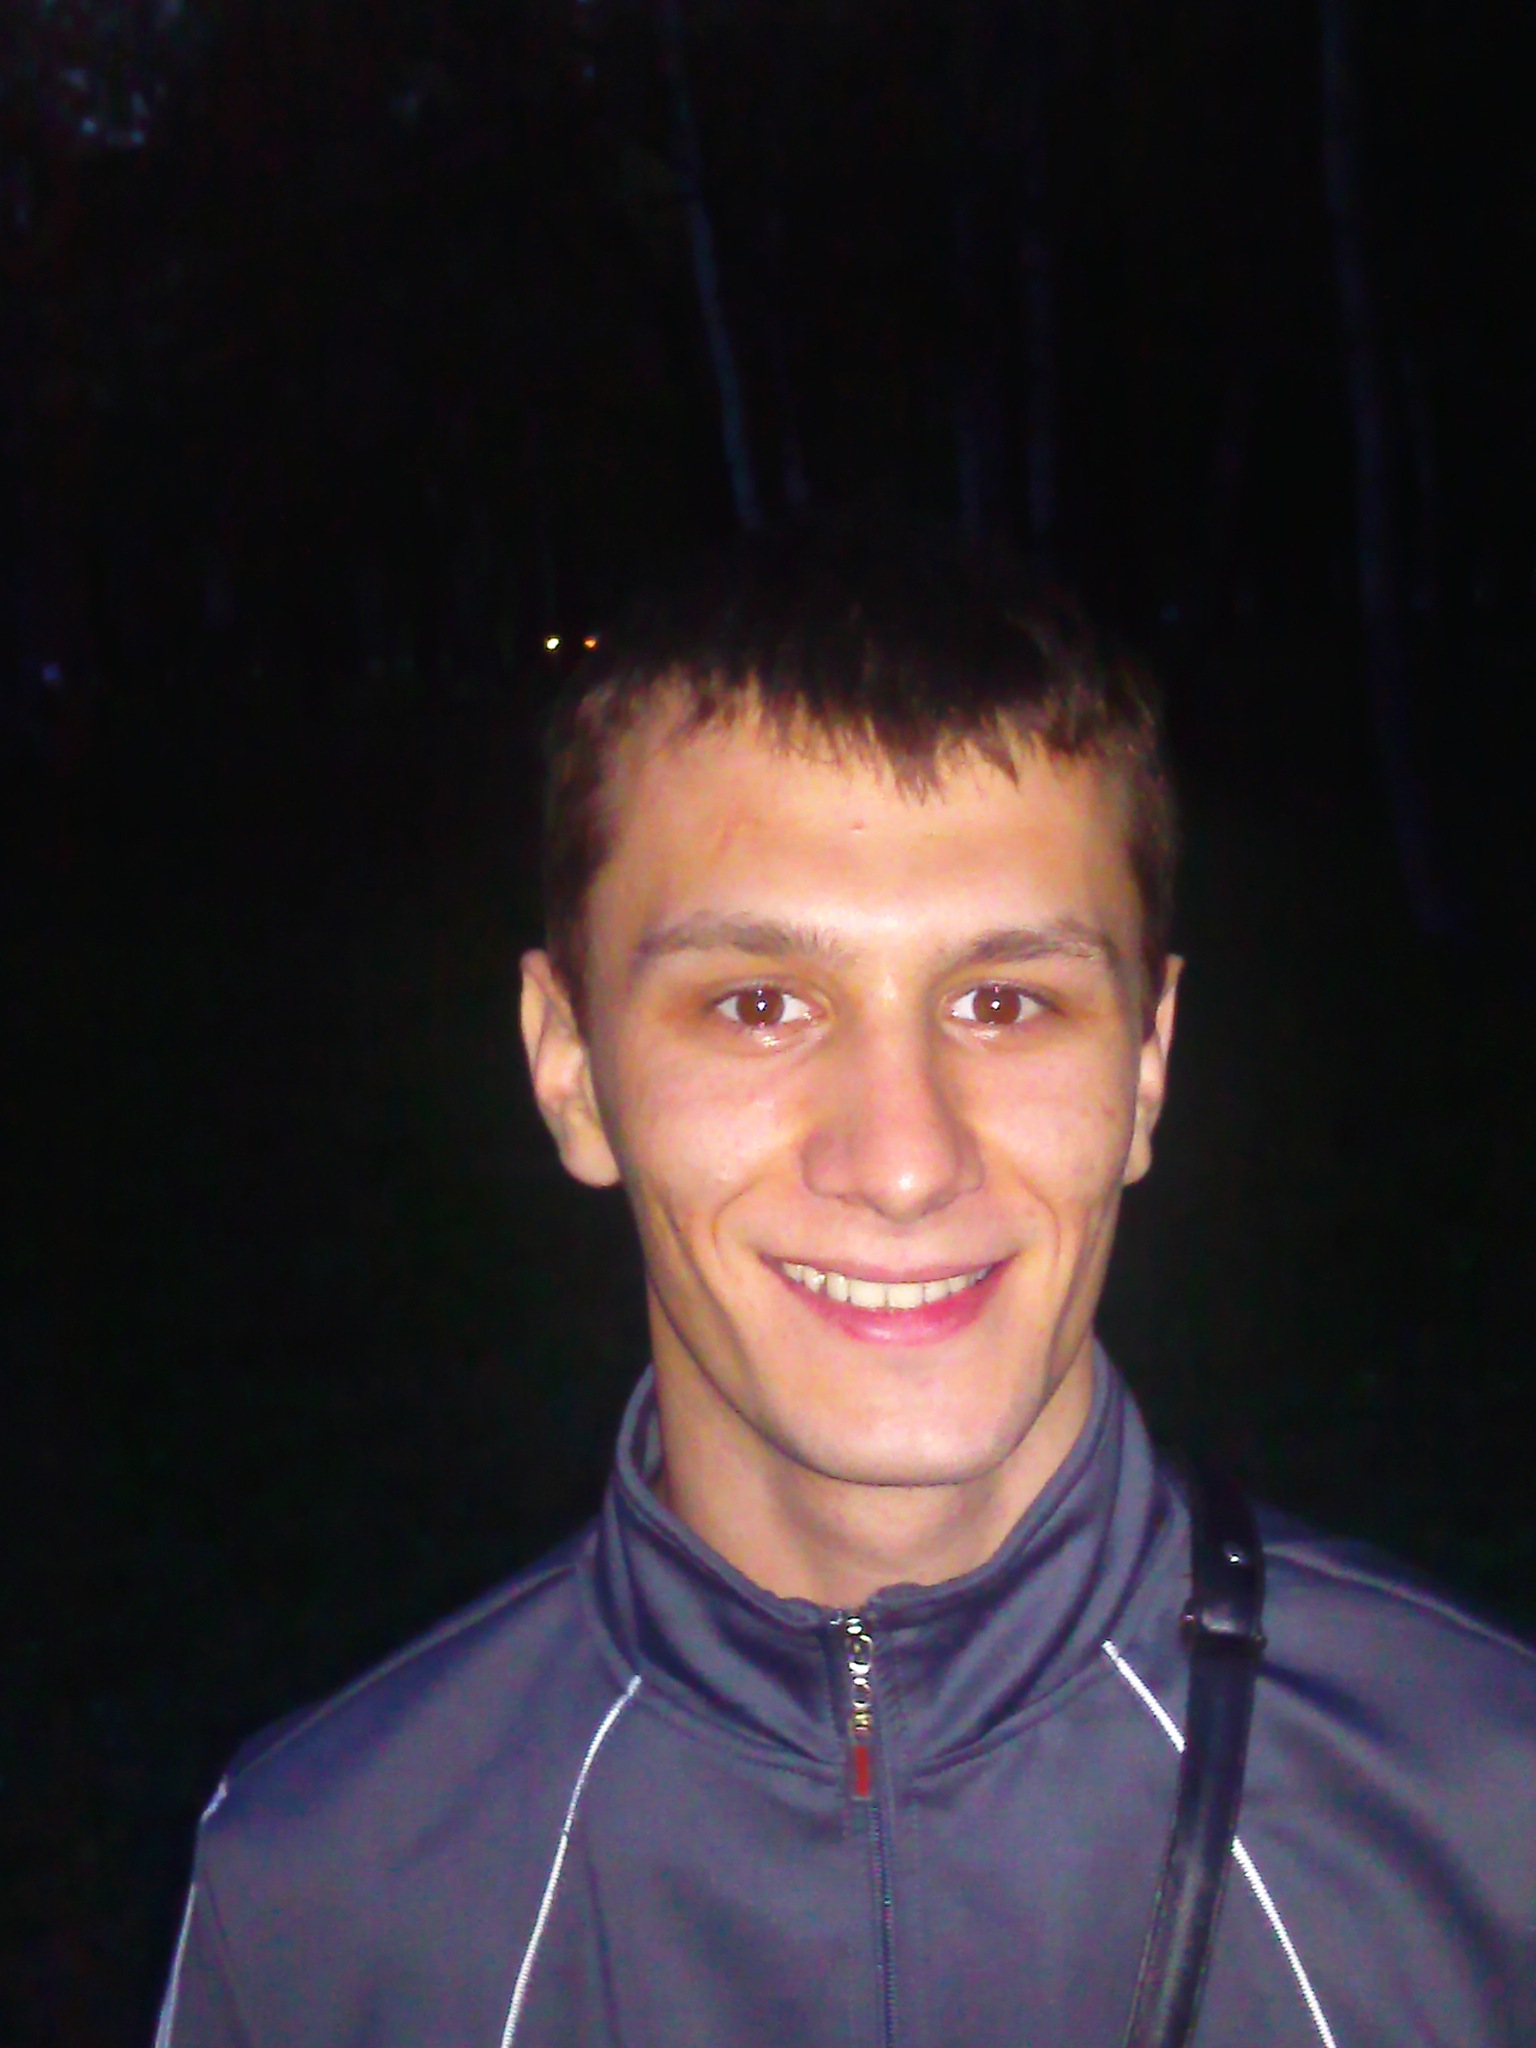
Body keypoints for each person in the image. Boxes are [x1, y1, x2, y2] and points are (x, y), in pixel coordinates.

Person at [154, 530, 1536, 2048]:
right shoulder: (320, 1900)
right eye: (759, 1005)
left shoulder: (1489, 1824)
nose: (903, 1161)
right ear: (570, 1070)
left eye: (1004, 1002)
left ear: (1148, 1067)